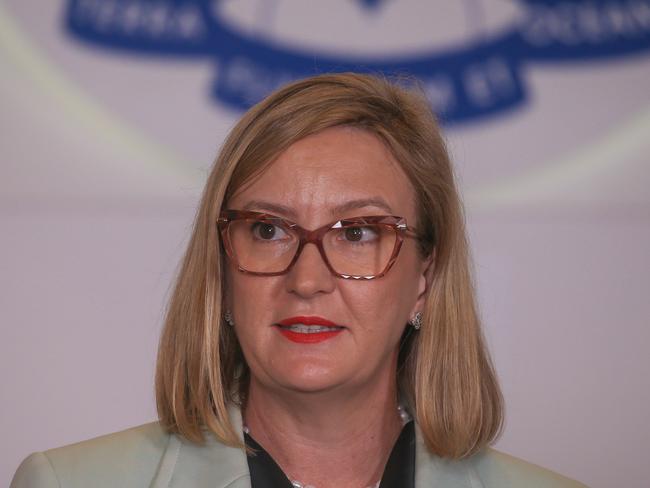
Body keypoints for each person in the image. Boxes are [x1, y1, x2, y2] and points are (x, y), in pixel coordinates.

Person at [11, 73, 586, 488]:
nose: (307, 279)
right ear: (222, 269)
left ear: (424, 280)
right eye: (268, 230)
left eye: (358, 232)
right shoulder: (68, 481)